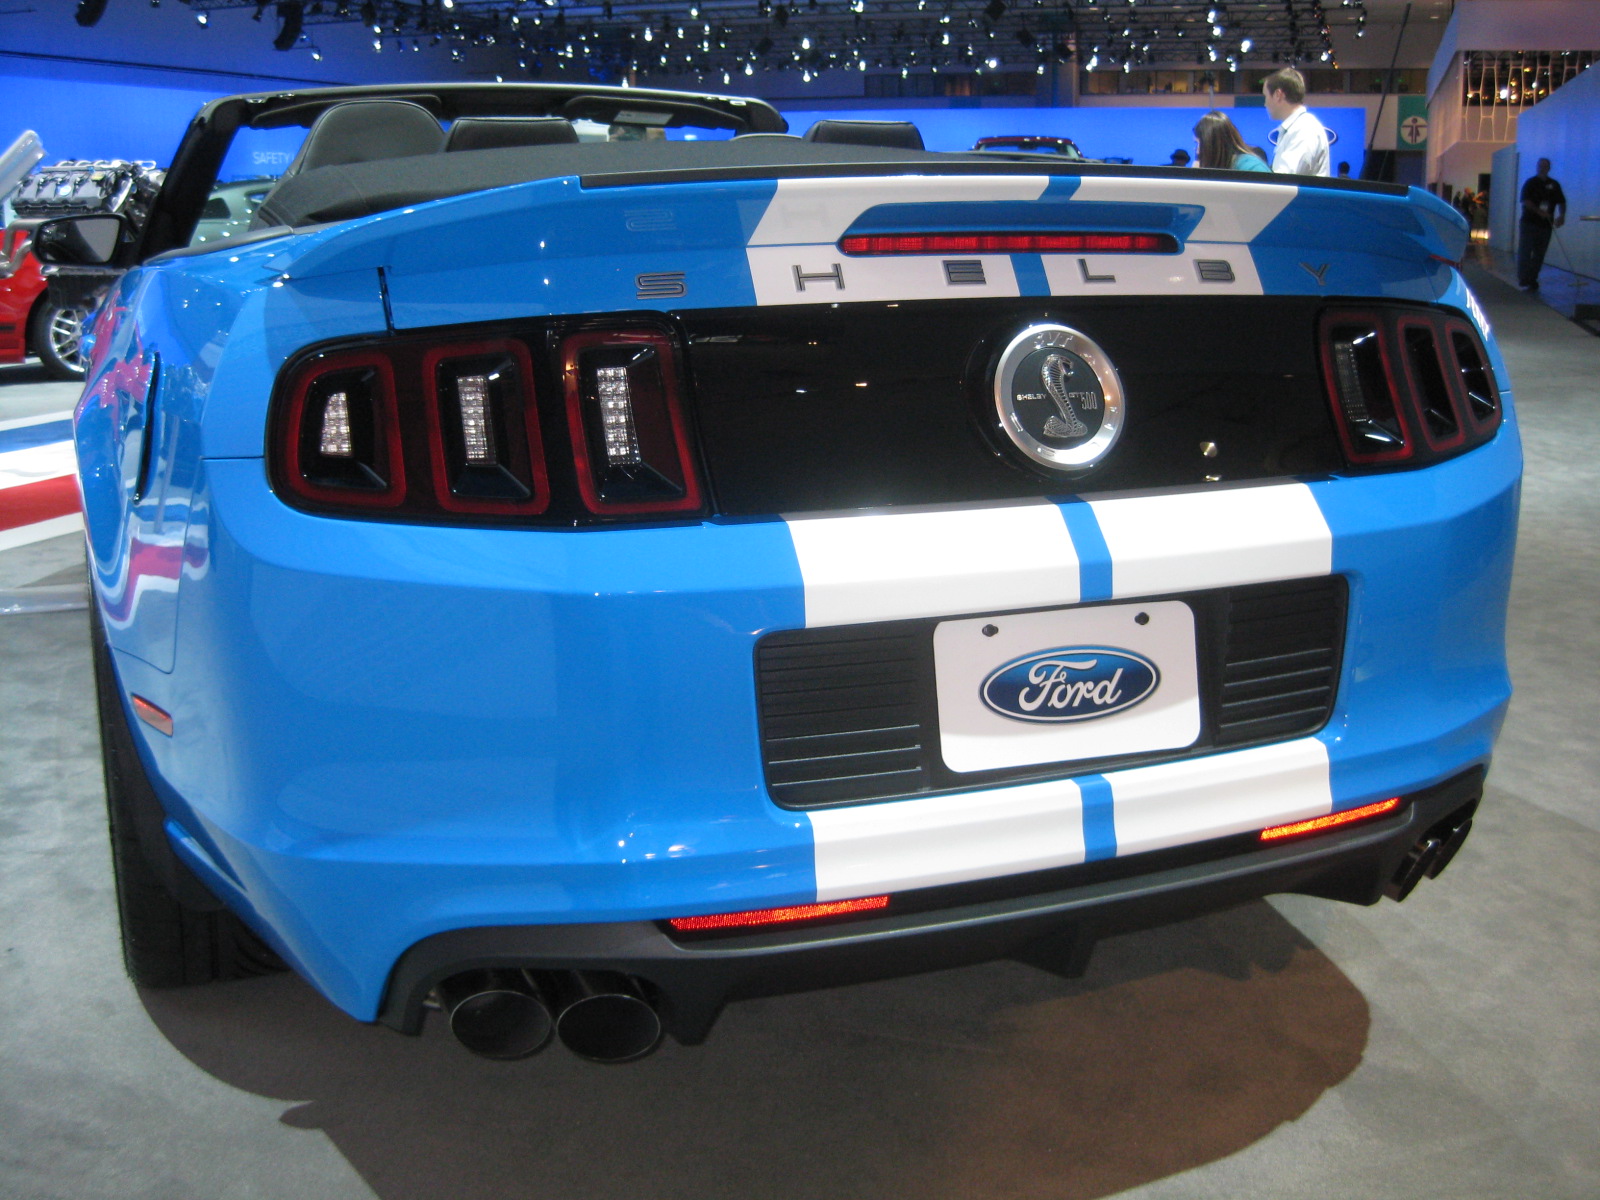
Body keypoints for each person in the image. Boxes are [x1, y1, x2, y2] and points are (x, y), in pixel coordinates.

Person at [1261, 66, 1330, 177]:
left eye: (1266, 96)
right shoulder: (1297, 128)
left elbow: (1285, 179)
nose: (1265, 103)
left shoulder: (1305, 129)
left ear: (1278, 95)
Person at [1517, 157, 1567, 291]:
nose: (1542, 168)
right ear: (1537, 167)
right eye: (1540, 165)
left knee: (1539, 254)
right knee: (1525, 251)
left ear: (1549, 168)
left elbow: (1561, 201)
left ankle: (1532, 278)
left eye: (1545, 166)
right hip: (1529, 223)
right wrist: (1539, 212)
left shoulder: (1554, 184)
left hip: (1545, 225)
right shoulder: (1531, 183)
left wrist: (1561, 215)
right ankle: (1524, 278)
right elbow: (1526, 201)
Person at [1193, 110, 1270, 172]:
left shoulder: (1252, 167)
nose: (1197, 151)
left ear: (1212, 145)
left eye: (1198, 143)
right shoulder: (1221, 168)